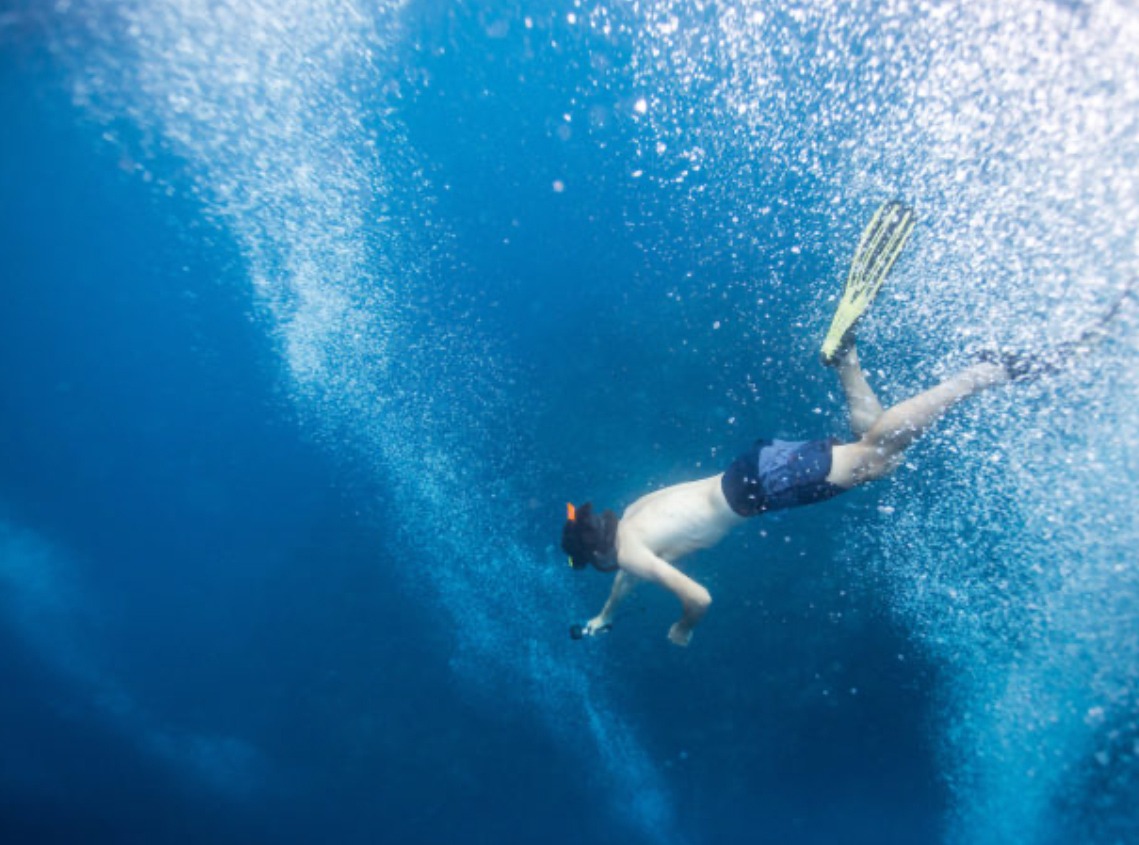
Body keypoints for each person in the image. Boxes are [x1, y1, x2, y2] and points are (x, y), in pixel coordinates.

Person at [561, 201, 1130, 647]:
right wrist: (602, 618)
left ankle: (983, 373)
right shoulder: (631, 522)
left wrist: (685, 625)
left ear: (599, 553)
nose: (608, 569)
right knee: (875, 453)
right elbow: (628, 575)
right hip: (754, 471)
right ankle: (844, 357)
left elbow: (700, 597)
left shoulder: (631, 552)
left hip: (765, 487)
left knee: (881, 453)